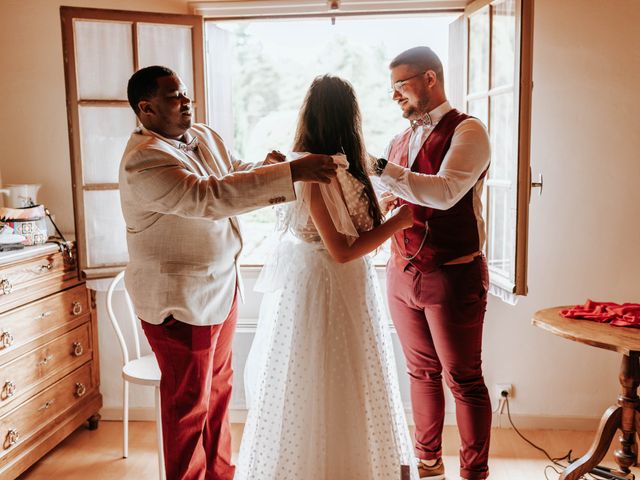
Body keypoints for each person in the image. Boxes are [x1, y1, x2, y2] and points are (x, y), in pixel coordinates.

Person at [119, 65, 338, 480]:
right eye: (173, 97)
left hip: (221, 287)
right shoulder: (143, 162)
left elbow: (231, 169)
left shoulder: (202, 134)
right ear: (146, 109)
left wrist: (265, 165)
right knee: (188, 407)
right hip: (180, 301)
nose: (186, 101)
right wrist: (290, 174)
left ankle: (221, 474)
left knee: (218, 394)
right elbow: (208, 197)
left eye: (184, 93)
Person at [236, 75, 418, 480]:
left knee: (347, 379)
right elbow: (341, 250)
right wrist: (398, 223)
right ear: (348, 117)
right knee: (324, 379)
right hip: (325, 286)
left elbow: (348, 227)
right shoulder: (315, 172)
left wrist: (379, 211)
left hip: (345, 286)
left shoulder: (338, 166)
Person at [373, 47, 492, 480]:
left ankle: (473, 473)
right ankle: (428, 466)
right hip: (400, 273)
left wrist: (379, 168)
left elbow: (443, 193)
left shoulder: (468, 131)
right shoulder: (398, 141)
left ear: (429, 78)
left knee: (463, 379)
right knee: (420, 373)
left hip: (452, 273)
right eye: (392, 89)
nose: (395, 96)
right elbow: (400, 195)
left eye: (401, 85)